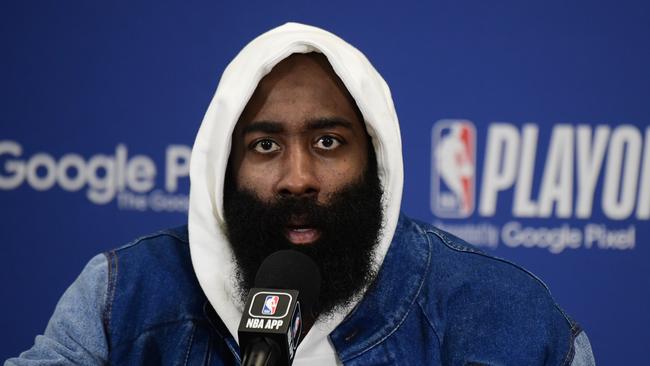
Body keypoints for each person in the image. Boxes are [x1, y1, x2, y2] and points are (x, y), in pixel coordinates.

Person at [5, 22, 595, 365]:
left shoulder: (504, 317)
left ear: (377, 161)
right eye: (264, 146)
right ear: (223, 166)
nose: (297, 178)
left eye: (329, 142)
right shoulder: (122, 298)